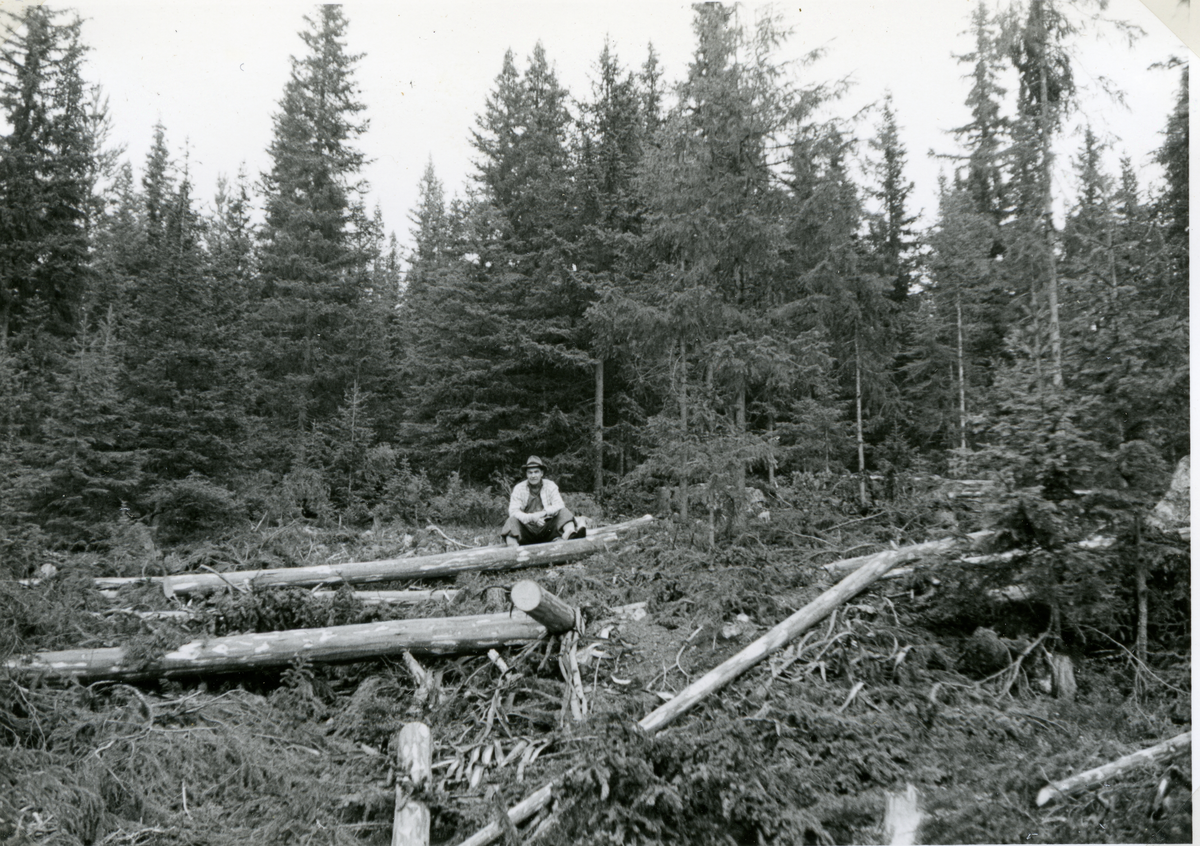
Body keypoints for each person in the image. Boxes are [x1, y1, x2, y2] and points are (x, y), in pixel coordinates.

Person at [501, 456, 585, 546]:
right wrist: (532, 517)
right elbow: (513, 512)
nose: (533, 476)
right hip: (527, 530)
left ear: (542, 473)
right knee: (511, 521)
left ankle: (570, 535)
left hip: (547, 529)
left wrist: (542, 513)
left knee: (564, 512)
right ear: (526, 474)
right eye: (530, 473)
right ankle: (513, 551)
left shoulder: (550, 485)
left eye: (536, 472)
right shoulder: (519, 488)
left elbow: (559, 505)